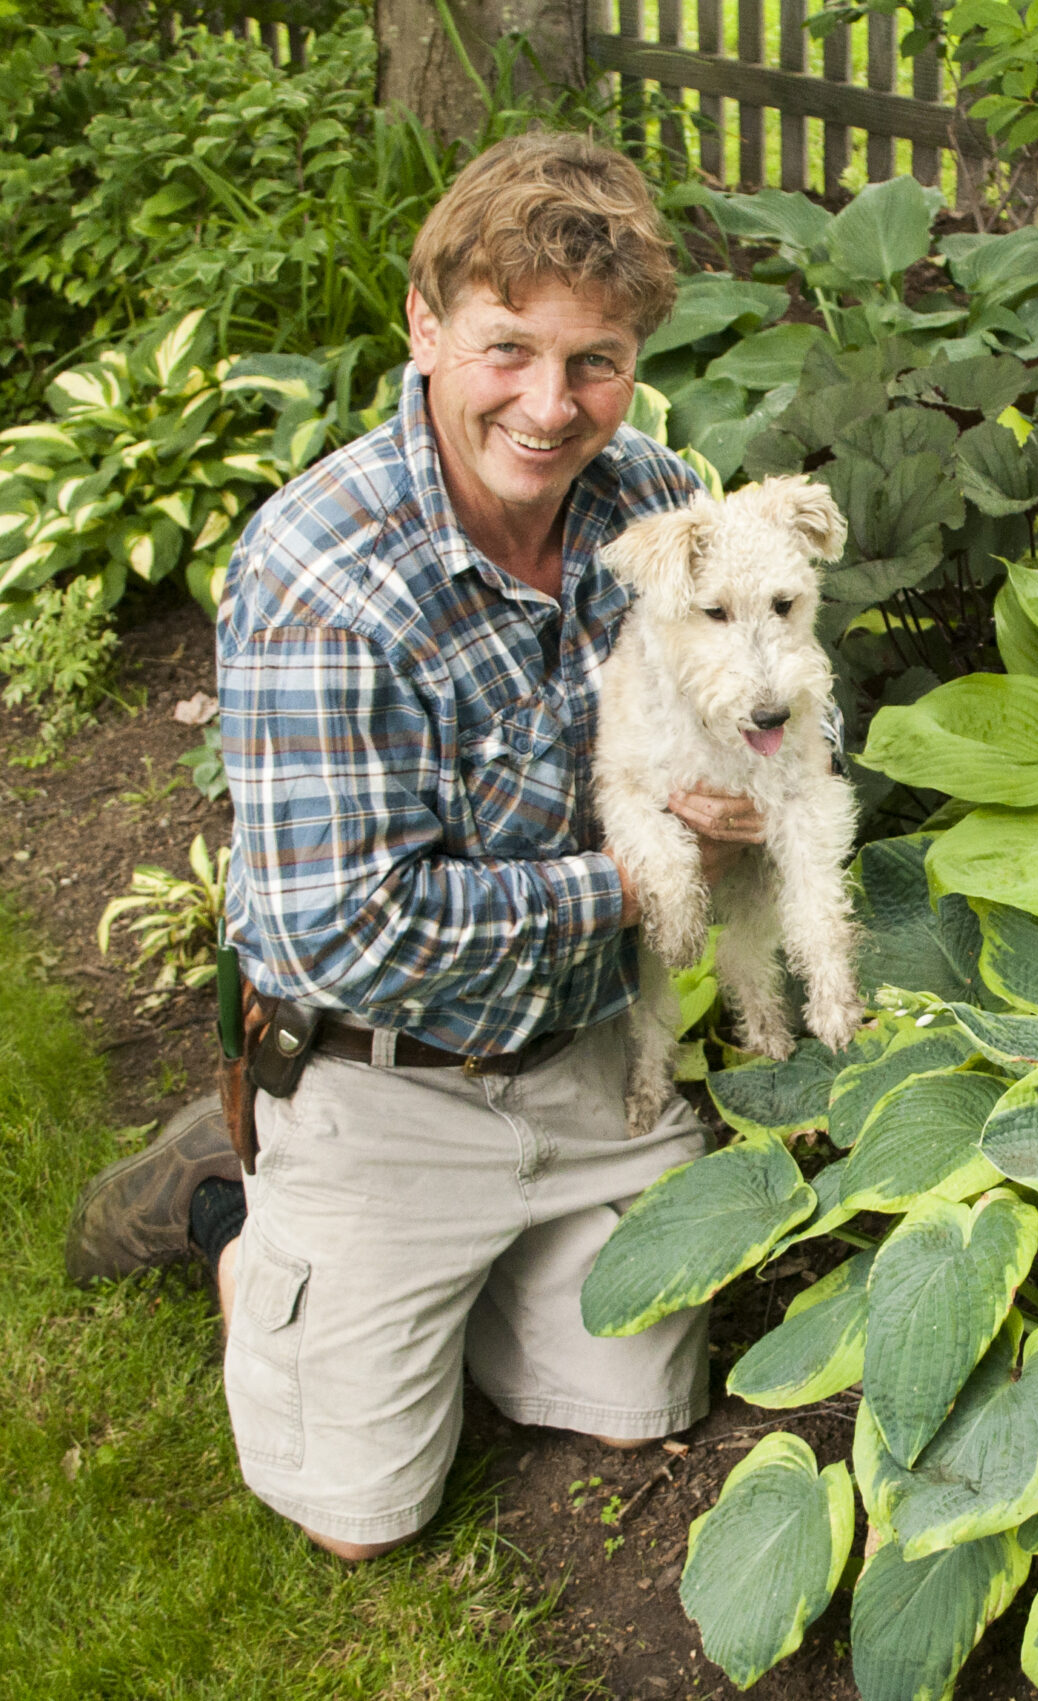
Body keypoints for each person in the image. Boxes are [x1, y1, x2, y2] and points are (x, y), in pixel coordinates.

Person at [65, 130, 760, 1561]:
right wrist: (638, 880)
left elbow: (745, 679)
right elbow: (347, 930)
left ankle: (478, 1263)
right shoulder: (322, 571)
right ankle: (236, 1202)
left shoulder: (650, 504)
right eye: (509, 348)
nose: (551, 406)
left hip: (580, 1060)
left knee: (640, 1405)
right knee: (363, 1521)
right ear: (426, 325)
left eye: (598, 363)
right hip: (381, 1073)